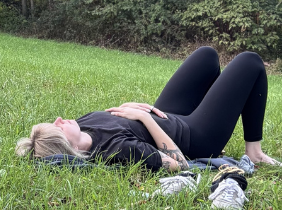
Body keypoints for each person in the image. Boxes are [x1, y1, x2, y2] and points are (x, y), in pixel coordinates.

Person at [17, 46, 277, 170]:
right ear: (71, 149)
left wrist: (132, 108)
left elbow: (117, 120)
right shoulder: (117, 150)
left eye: (54, 122)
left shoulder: (82, 123)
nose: (60, 120)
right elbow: (180, 165)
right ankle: (254, 151)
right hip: (194, 135)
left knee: (206, 56)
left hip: (166, 114)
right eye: (58, 128)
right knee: (249, 62)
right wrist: (145, 118)